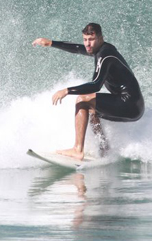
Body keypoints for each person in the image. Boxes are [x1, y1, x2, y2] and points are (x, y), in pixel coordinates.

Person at [32, 23, 144, 160]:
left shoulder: (105, 55)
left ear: (100, 38)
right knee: (92, 109)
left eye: (91, 40)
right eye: (85, 40)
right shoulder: (101, 49)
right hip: (134, 106)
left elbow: (96, 85)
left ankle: (77, 149)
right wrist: (50, 43)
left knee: (82, 100)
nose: (87, 44)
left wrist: (67, 90)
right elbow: (78, 48)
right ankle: (105, 150)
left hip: (129, 104)